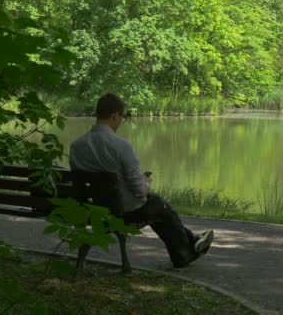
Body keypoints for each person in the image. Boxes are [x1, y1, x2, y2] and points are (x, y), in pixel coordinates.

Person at [69, 93, 213, 268]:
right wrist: (146, 181)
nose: (122, 121)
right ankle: (185, 253)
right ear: (115, 115)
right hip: (122, 212)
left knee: (157, 207)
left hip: (89, 210)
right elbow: (139, 191)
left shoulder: (76, 146)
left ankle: (192, 242)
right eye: (122, 117)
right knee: (158, 205)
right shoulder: (121, 146)